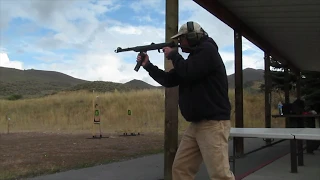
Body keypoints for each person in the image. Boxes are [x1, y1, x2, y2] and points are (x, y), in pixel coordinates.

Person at [136, 21, 235, 180]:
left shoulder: (208, 51)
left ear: (193, 37)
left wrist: (174, 55)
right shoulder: (194, 59)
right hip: (196, 124)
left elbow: (188, 72)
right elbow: (169, 80)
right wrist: (148, 66)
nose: (180, 43)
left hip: (213, 123)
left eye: (182, 39)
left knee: (220, 175)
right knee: (181, 169)